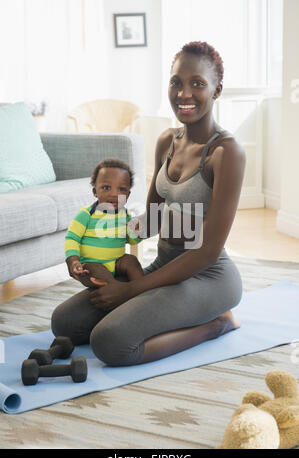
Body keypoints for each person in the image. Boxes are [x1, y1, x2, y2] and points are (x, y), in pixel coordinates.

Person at [51, 40, 246, 367]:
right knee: (65, 323)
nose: (184, 93)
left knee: (110, 342)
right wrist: (93, 251)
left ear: (217, 90)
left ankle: (216, 324)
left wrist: (132, 290)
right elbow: (152, 221)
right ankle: (153, 303)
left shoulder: (226, 152)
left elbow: (207, 251)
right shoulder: (167, 140)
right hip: (164, 268)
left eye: (197, 83)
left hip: (208, 276)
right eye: (176, 82)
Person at [65, 158, 144, 288]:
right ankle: (114, 289)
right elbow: (72, 238)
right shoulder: (86, 214)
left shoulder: (125, 215)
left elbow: (131, 240)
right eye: (106, 188)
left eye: (121, 189)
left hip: (117, 261)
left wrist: (137, 233)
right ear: (95, 191)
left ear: (128, 195)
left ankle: (141, 289)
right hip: (92, 264)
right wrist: (73, 260)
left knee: (131, 261)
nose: (114, 194)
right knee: (95, 273)